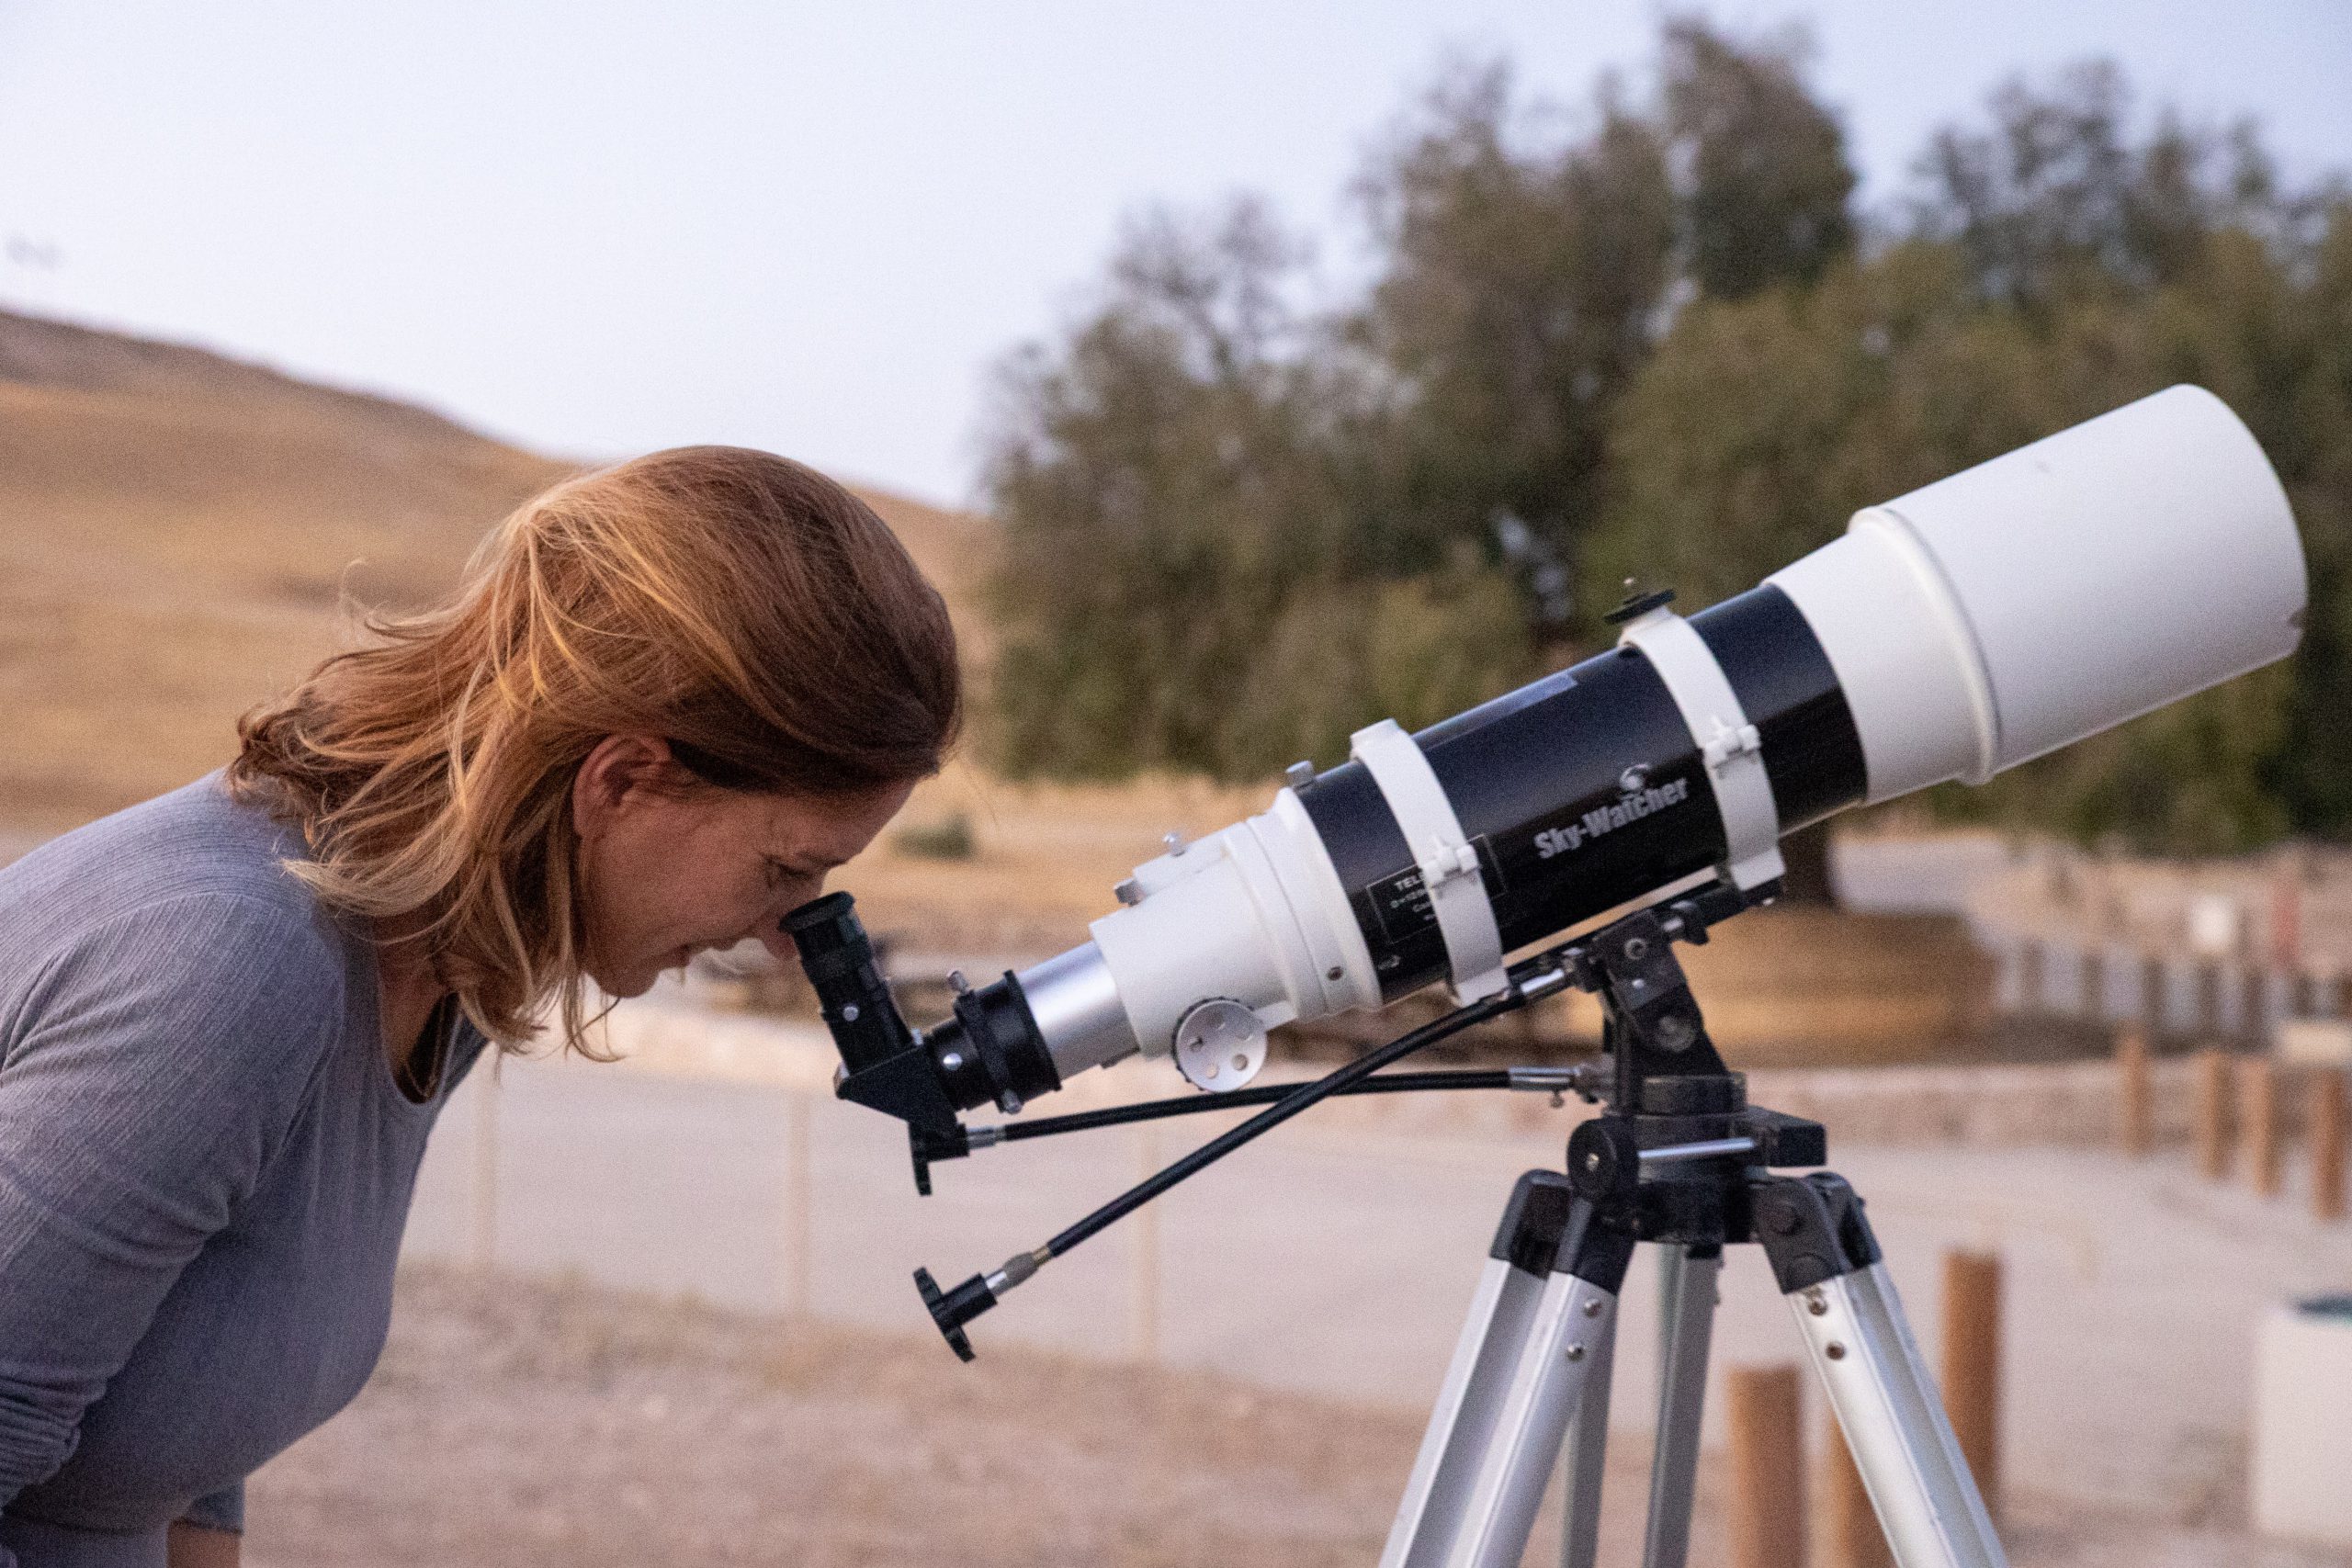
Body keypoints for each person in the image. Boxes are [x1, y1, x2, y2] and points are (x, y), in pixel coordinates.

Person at [0, 448, 961, 1567]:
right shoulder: (232, 969)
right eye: (786, 870)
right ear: (622, 781)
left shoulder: (431, 959)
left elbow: (190, 1407)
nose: (781, 934)